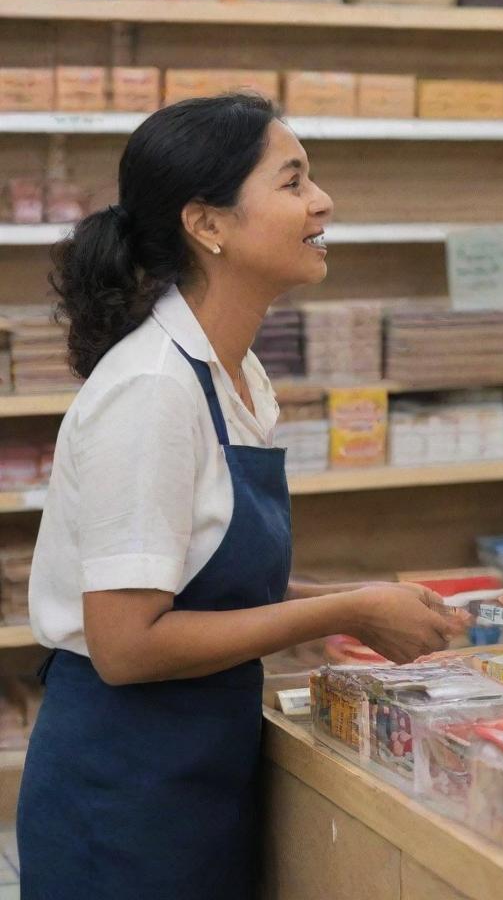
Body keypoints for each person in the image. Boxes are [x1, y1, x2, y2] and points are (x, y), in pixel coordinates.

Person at [17, 93, 466, 899]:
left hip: (195, 769)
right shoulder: (153, 390)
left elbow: (197, 579)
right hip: (122, 790)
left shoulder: (236, 372)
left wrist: (370, 599)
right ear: (209, 224)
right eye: (292, 182)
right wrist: (347, 612)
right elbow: (126, 644)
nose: (322, 201)